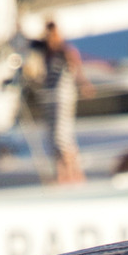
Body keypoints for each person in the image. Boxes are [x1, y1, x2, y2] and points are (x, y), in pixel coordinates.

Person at [34, 21, 92, 184]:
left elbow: (77, 69)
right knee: (53, 135)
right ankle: (61, 174)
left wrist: (84, 84)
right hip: (50, 98)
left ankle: (74, 173)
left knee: (62, 134)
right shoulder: (46, 53)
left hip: (63, 96)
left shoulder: (65, 50)